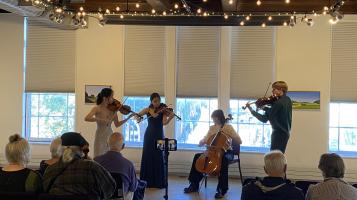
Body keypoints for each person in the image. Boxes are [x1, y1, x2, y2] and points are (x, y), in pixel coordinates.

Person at [184, 109, 242, 199]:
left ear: (219, 118)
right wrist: (202, 141)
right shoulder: (212, 128)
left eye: (215, 118)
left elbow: (239, 141)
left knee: (224, 160)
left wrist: (228, 135)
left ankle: (222, 189)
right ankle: (194, 184)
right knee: (197, 157)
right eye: (213, 119)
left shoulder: (228, 127)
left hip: (227, 152)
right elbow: (206, 138)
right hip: (212, 151)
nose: (214, 120)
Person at [42, 132, 116, 199]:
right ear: (81, 150)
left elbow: (45, 191)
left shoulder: (50, 170)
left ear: (60, 149)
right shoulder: (91, 167)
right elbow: (110, 188)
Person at [137, 93, 174, 188]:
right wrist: (138, 118)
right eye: (155, 101)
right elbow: (137, 116)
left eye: (158, 100)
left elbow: (164, 123)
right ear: (151, 101)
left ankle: (158, 182)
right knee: (148, 155)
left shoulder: (163, 110)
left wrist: (170, 118)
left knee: (159, 156)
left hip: (159, 134)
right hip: (149, 135)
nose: (157, 103)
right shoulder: (147, 109)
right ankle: (147, 181)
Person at [94, 132, 146, 200]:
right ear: (123, 146)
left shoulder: (96, 161)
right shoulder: (129, 164)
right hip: (121, 196)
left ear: (107, 144)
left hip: (101, 195)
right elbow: (133, 188)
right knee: (137, 186)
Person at [85, 88, 134, 157]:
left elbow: (117, 124)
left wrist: (128, 118)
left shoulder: (113, 110)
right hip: (100, 134)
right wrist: (99, 120)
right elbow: (87, 118)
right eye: (112, 97)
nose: (113, 99)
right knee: (99, 154)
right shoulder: (97, 108)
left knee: (109, 155)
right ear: (105, 98)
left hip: (110, 134)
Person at [246, 81, 292, 153]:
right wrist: (264, 107)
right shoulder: (288, 100)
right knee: (279, 155)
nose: (272, 91)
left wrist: (251, 110)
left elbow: (264, 119)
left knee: (274, 155)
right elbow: (277, 111)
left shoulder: (278, 103)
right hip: (285, 132)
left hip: (278, 133)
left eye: (274, 89)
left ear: (280, 89)